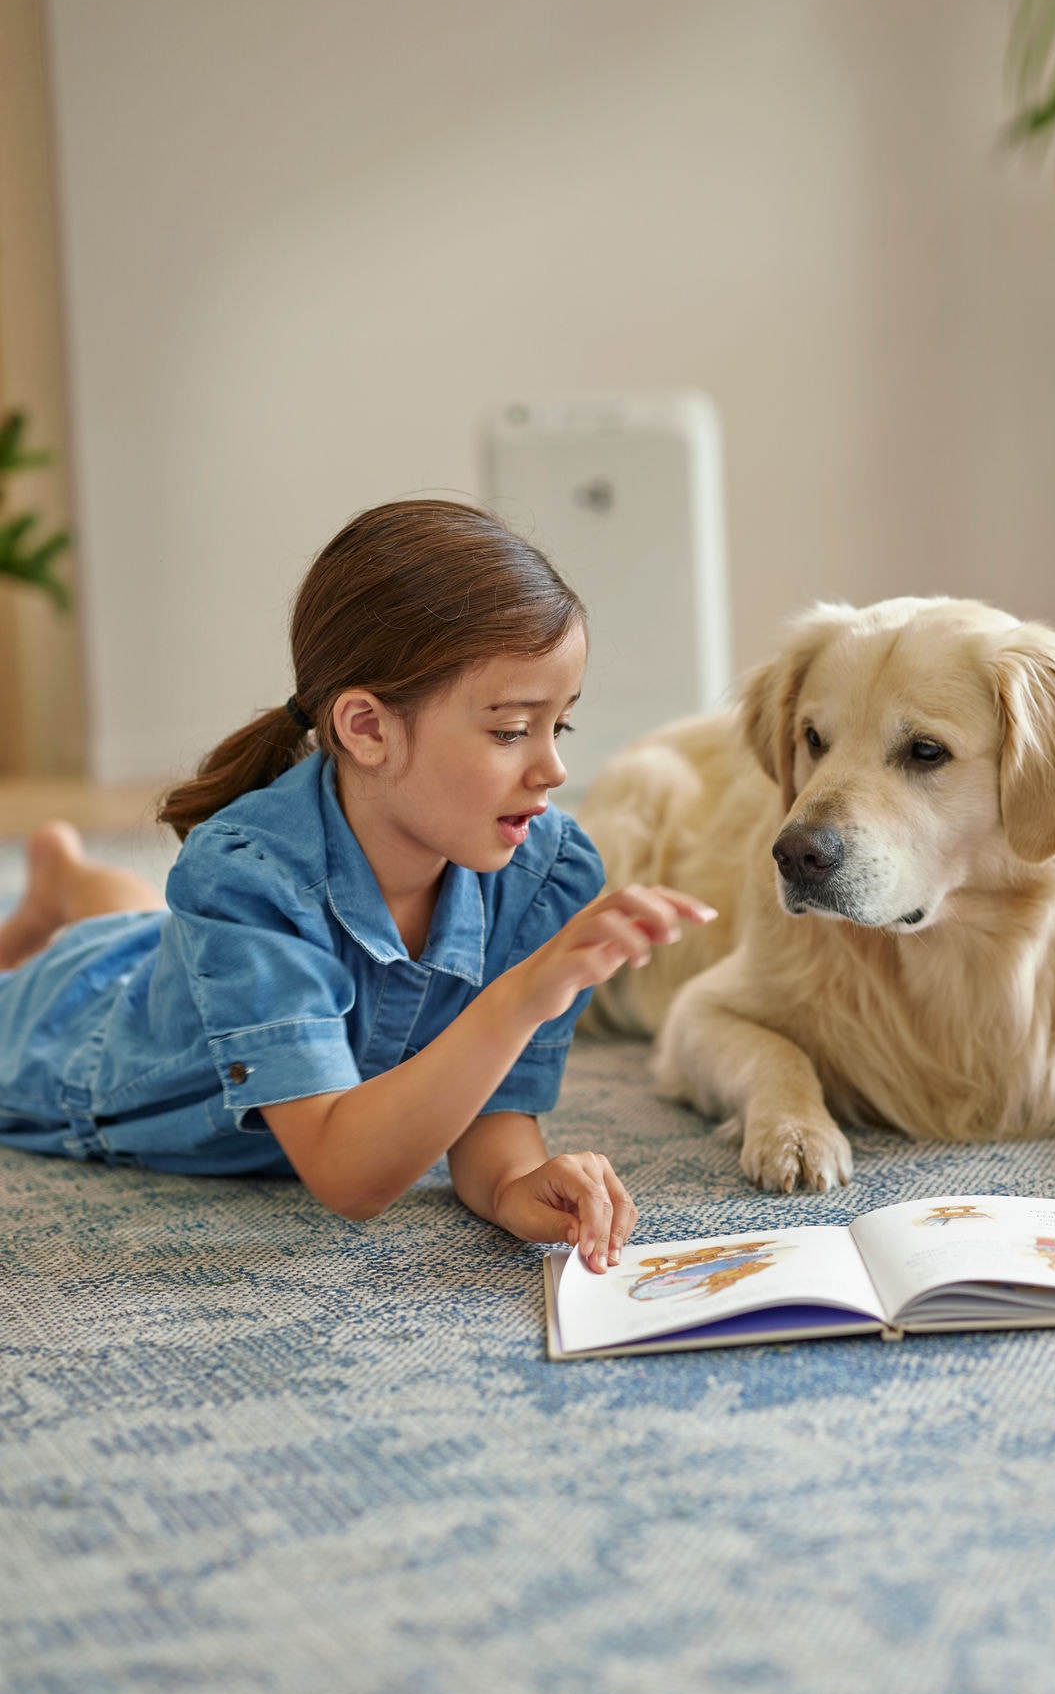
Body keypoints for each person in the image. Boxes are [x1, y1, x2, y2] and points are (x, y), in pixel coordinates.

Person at [0, 498, 713, 1273]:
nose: (554, 769)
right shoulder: (244, 880)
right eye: (511, 731)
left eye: (558, 726)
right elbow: (348, 1173)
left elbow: (491, 1111)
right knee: (123, 959)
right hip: (76, 1036)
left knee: (143, 933)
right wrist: (521, 994)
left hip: (182, 960)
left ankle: (62, 879)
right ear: (367, 728)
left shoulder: (543, 874)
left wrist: (513, 1181)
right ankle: (64, 886)